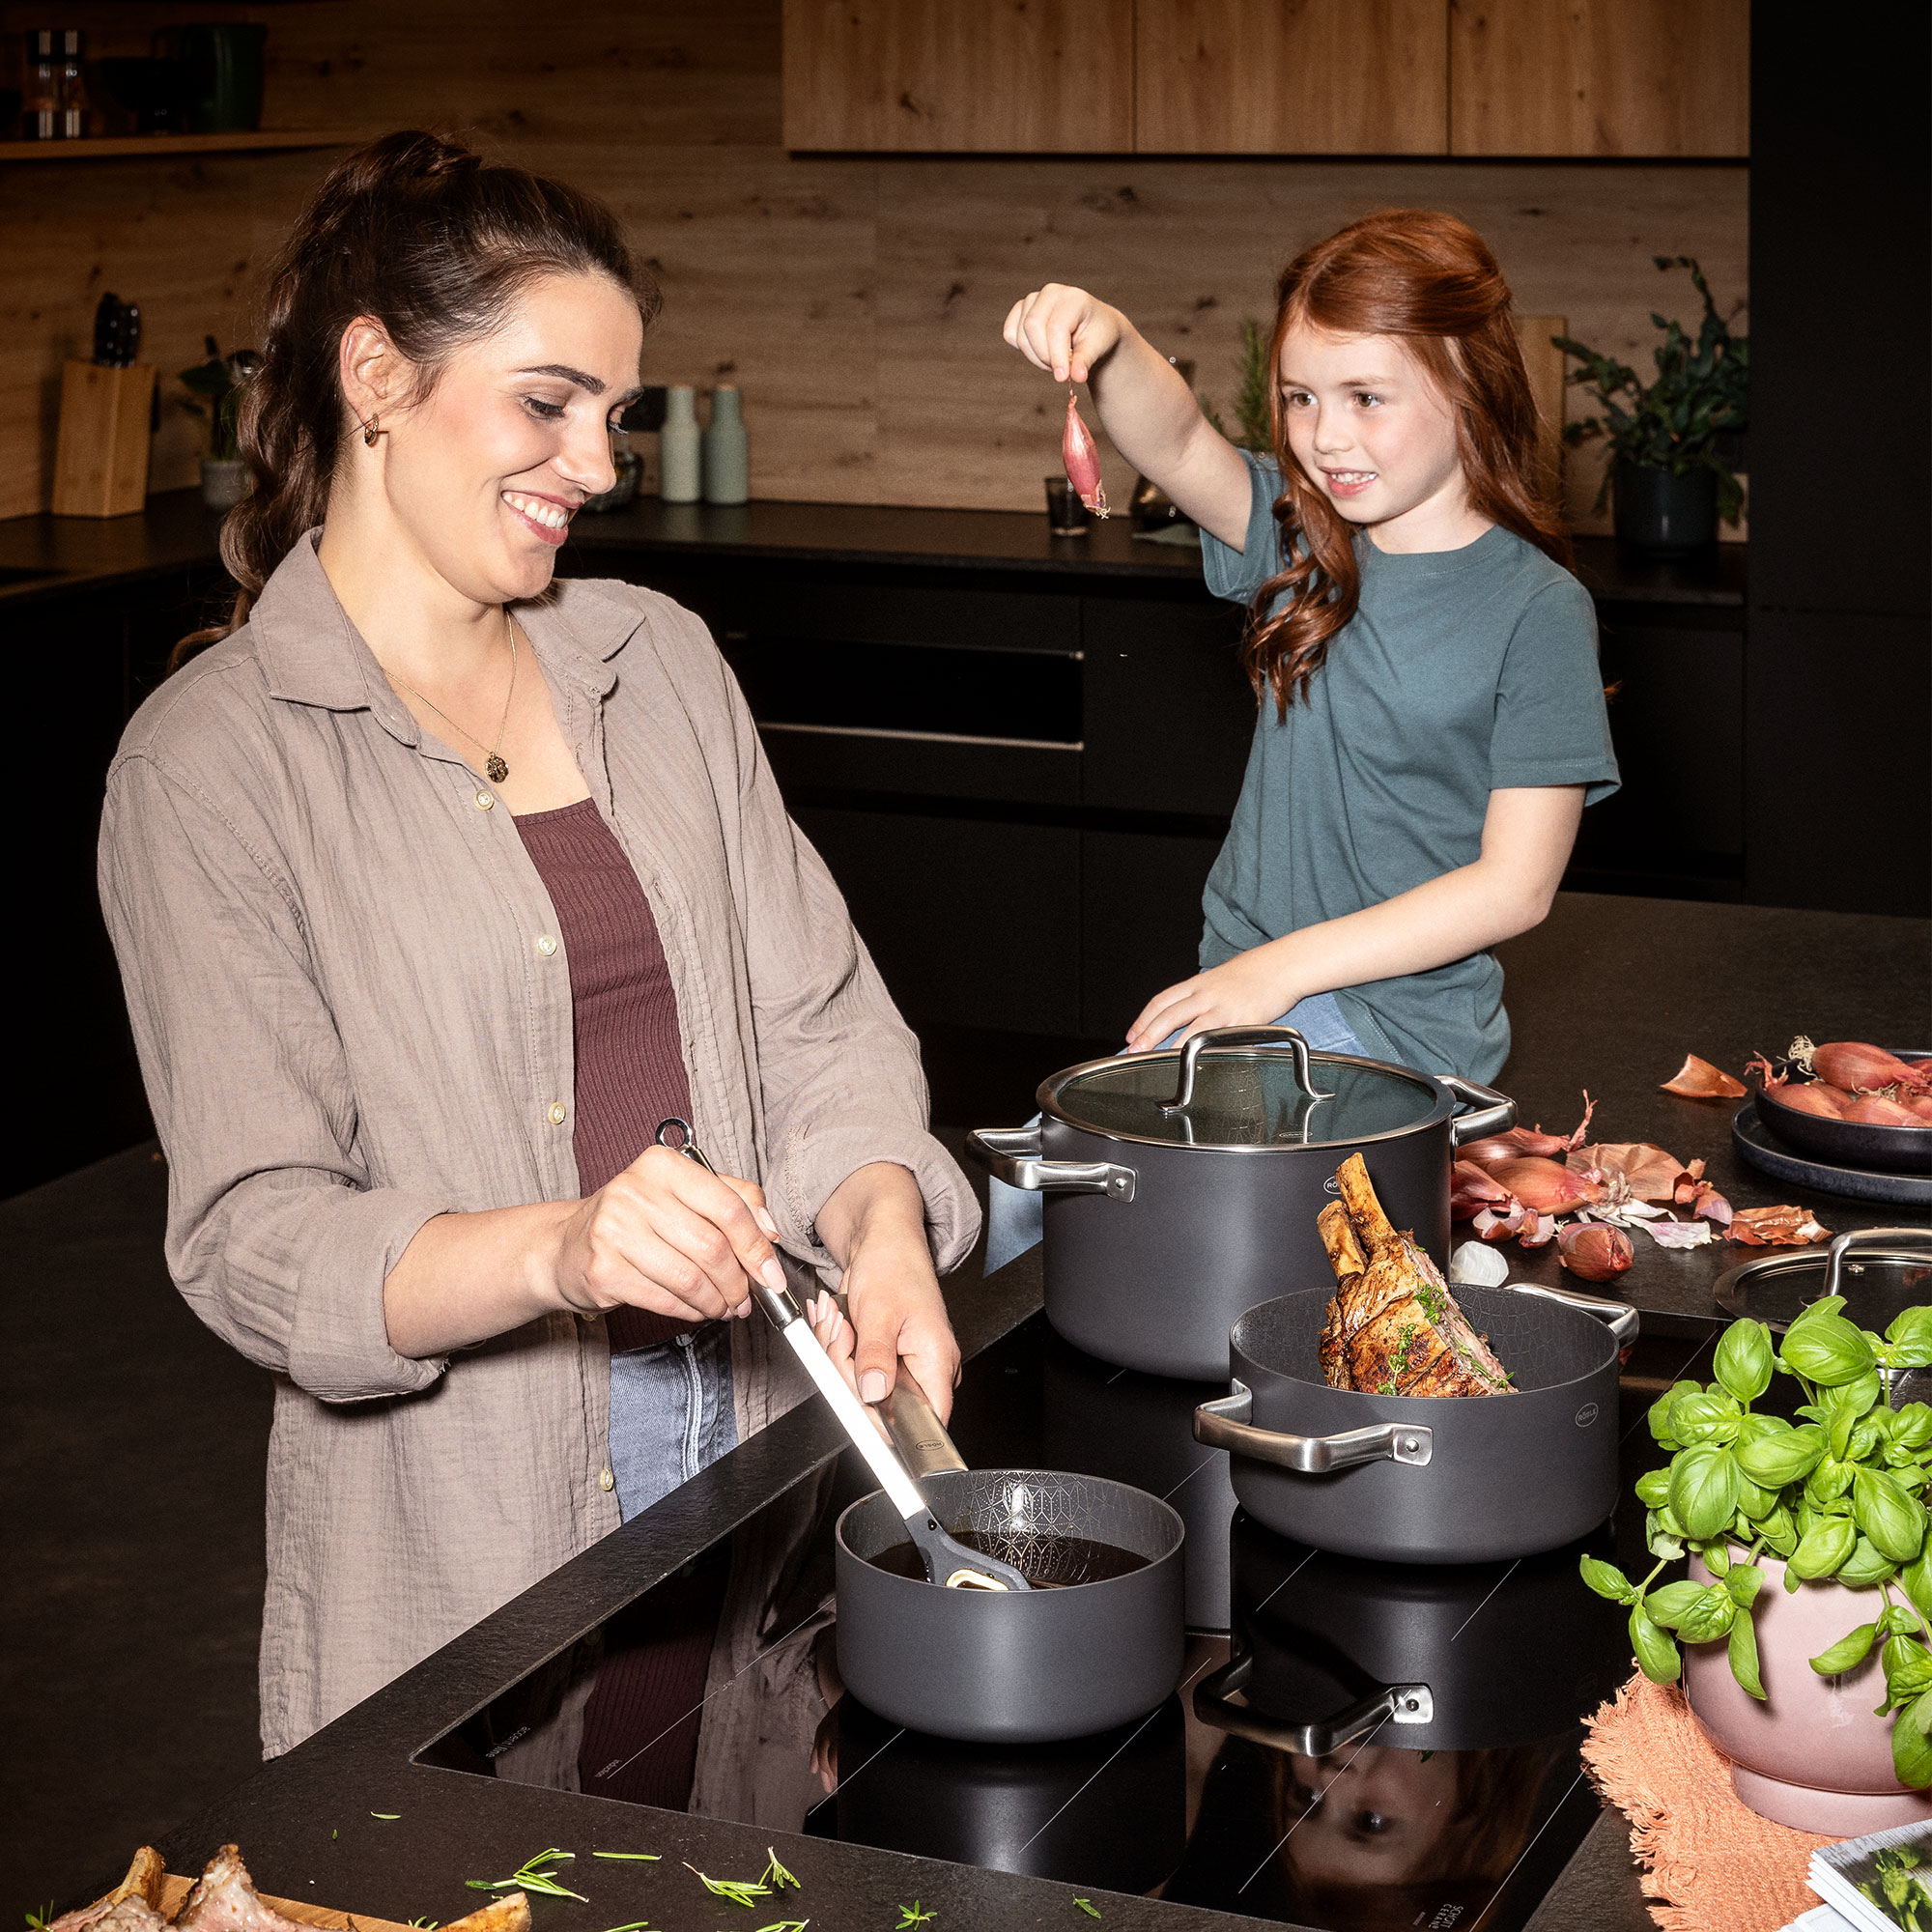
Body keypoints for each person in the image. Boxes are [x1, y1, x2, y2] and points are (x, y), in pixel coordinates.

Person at [99, 130, 977, 1759]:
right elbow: (255, 1237)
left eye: (618, 416)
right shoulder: (212, 763)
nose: (599, 461)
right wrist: (564, 1251)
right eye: (548, 401)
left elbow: (826, 1030)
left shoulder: (666, 664)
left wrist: (884, 1233)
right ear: (377, 374)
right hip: (457, 1564)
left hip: (755, 1508)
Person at [1003, 210, 1620, 1083]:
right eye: (1302, 398)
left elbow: (1514, 885)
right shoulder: (1300, 540)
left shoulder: (1538, 609)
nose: (1326, 436)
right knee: (1043, 1196)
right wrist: (1110, 340)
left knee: (1127, 1196)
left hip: (1399, 1028)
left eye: (1366, 397)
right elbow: (1176, 439)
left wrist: (1278, 970)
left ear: (1469, 387)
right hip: (1250, 987)